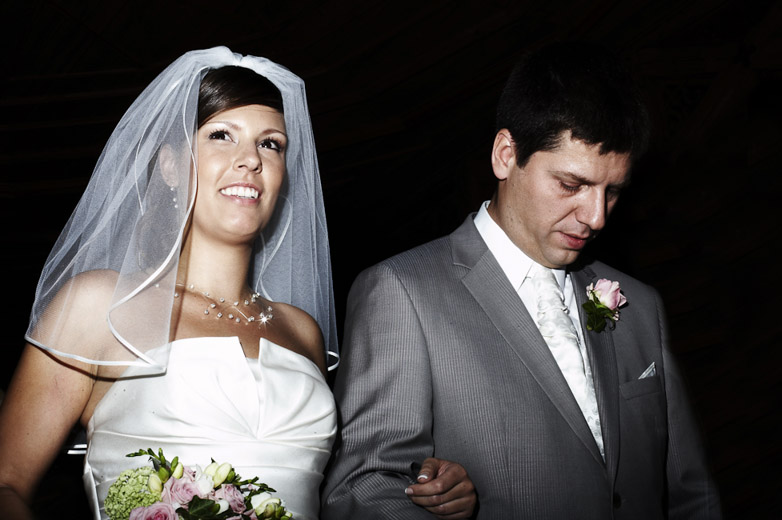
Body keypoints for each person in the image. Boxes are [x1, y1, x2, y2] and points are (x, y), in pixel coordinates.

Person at [0, 47, 474, 520]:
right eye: (221, 135)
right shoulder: (99, 306)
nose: (250, 159)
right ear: (170, 165)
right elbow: (7, 484)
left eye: (271, 144)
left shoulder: (302, 332)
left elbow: (336, 492)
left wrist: (424, 486)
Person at [322, 42, 721, 519]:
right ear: (506, 155)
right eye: (571, 185)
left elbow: (690, 493)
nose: (596, 217)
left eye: (612, 191)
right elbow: (364, 490)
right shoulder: (401, 292)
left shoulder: (640, 304)